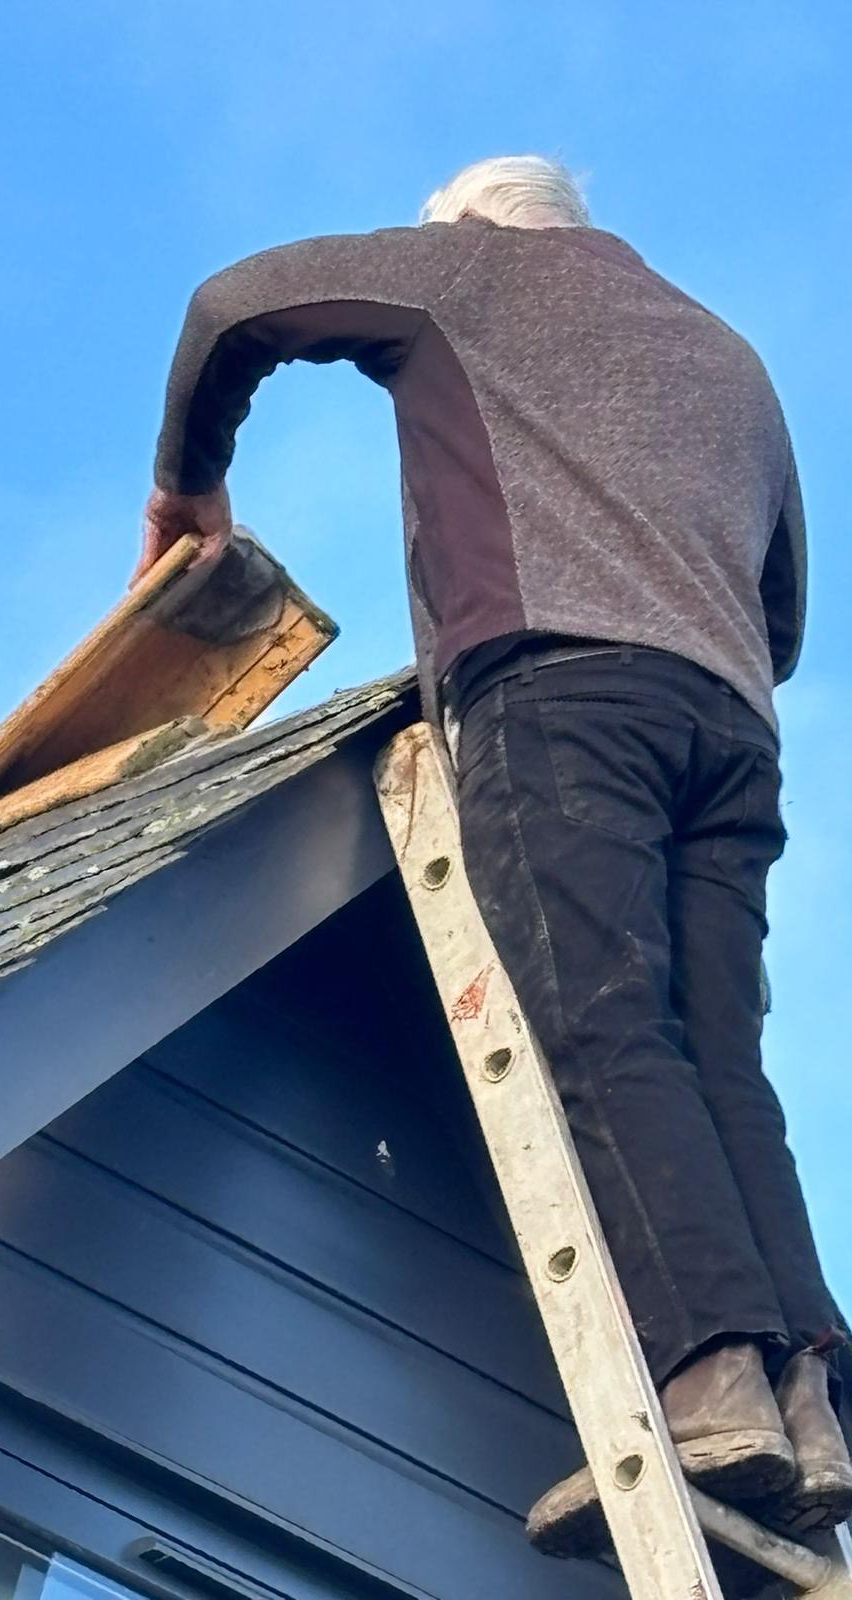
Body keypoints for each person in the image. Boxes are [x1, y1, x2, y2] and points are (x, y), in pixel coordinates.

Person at [136, 155, 851, 1555]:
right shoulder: (734, 359)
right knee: (723, 1058)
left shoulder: (464, 270)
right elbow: (782, 616)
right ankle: (810, 1403)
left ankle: (708, 1380)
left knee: (599, 1025)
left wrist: (191, 487)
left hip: (561, 696)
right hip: (728, 730)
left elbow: (232, 307)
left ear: (464, 224)